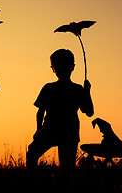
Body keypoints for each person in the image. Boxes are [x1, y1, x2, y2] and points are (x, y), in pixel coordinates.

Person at [27, 49, 94, 177]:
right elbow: (89, 112)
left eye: (56, 66)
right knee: (67, 166)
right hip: (68, 131)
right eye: (55, 66)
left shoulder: (50, 88)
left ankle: (33, 181)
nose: (56, 69)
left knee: (33, 154)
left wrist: (39, 129)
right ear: (72, 68)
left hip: (53, 130)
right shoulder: (76, 89)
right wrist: (87, 92)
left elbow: (40, 112)